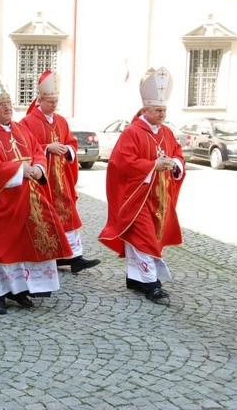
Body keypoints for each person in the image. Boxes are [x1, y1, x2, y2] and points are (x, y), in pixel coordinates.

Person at [0, 68, 73, 315]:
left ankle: (20, 290)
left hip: (26, 201)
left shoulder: (20, 130)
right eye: (1, 105)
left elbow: (36, 151)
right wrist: (20, 171)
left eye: (9, 104)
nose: (7, 108)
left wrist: (38, 168)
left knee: (21, 247)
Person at [98, 67, 185, 303]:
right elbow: (121, 163)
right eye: (158, 110)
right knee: (144, 237)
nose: (162, 114)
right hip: (137, 197)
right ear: (145, 110)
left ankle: (135, 278)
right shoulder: (132, 132)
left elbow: (177, 154)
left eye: (164, 110)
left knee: (150, 238)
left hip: (159, 197)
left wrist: (175, 163)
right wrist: (152, 166)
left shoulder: (166, 132)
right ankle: (151, 284)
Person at [19, 70, 100, 275]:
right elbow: (24, 147)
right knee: (47, 216)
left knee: (69, 213)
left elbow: (71, 142)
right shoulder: (28, 122)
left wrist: (68, 150)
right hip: (43, 178)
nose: (53, 106)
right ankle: (53, 255)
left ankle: (75, 257)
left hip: (61, 177)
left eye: (56, 101)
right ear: (40, 99)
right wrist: (48, 148)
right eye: (50, 102)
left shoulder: (61, 121)